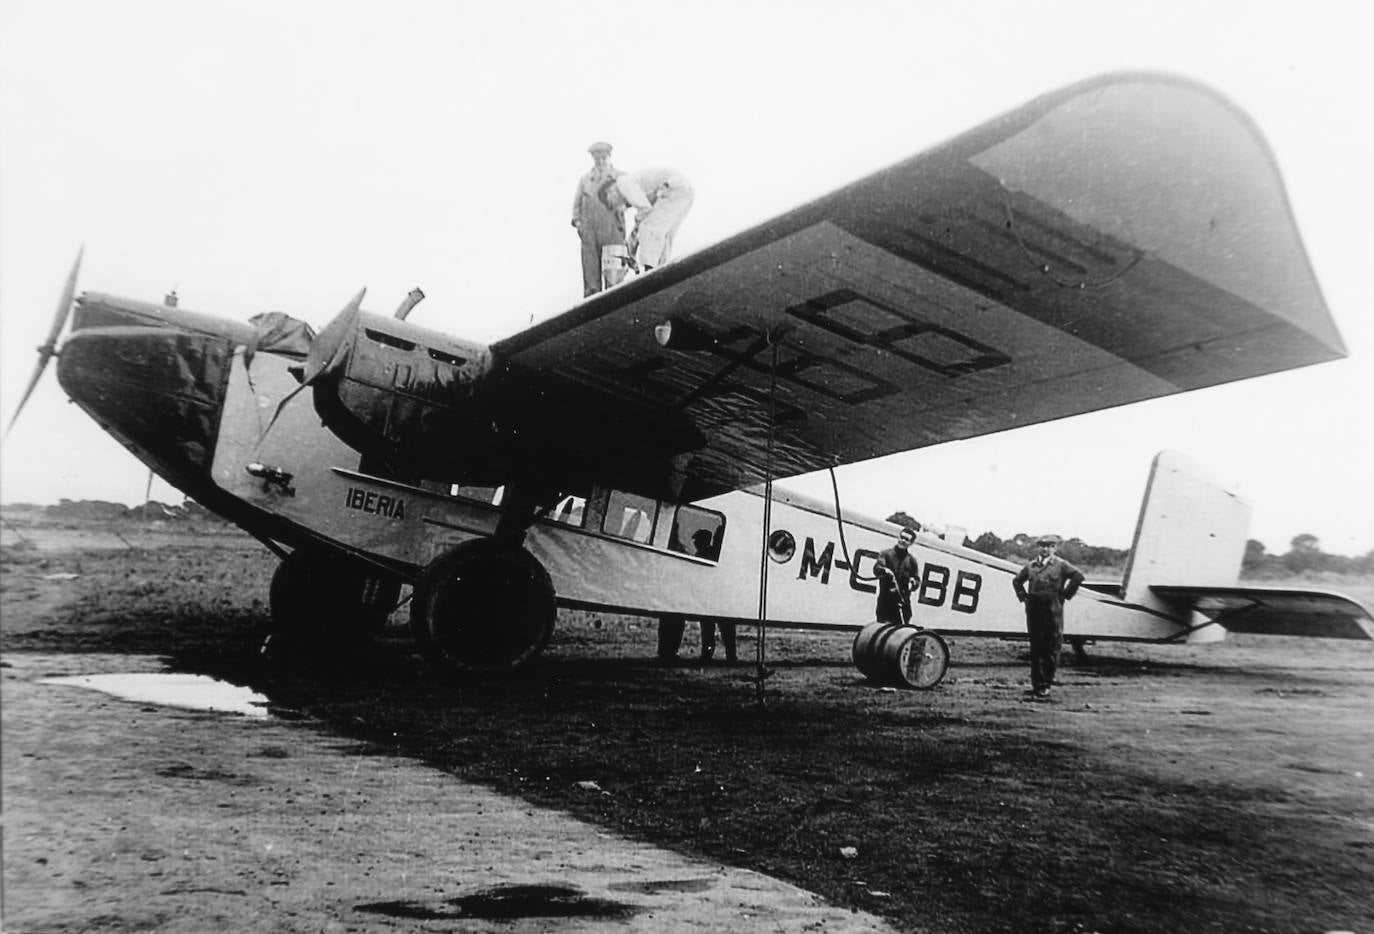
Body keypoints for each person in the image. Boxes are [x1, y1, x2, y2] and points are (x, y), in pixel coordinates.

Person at [1012, 535, 1085, 700]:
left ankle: (1046, 684)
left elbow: (1078, 576)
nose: (1045, 549)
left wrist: (1065, 595)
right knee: (1036, 648)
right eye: (1043, 546)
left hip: (1053, 610)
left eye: (1050, 546)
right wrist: (1023, 597)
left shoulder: (1060, 565)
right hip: (1034, 610)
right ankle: (1036, 684)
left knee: (1051, 647)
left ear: (1055, 548)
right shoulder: (1031, 566)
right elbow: (1017, 581)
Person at [596, 167, 693, 271]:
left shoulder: (624, 185)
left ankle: (650, 268)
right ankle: (662, 267)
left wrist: (633, 238)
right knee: (665, 233)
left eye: (610, 204)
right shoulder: (633, 183)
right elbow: (648, 207)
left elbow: (645, 209)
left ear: (609, 191)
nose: (615, 208)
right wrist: (633, 241)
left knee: (648, 227)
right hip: (684, 189)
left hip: (672, 187)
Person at [570, 141, 626, 296]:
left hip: (612, 231)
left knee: (614, 278)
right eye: (597, 159)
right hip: (589, 232)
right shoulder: (585, 180)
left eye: (603, 158)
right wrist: (579, 224)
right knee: (591, 280)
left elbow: (631, 201)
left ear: (609, 157)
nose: (600, 162)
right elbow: (576, 206)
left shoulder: (620, 177)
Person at [873, 527, 920, 625]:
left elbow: (917, 580)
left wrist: (913, 583)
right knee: (883, 633)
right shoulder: (885, 554)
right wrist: (884, 570)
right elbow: (877, 568)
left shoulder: (912, 561)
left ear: (911, 543)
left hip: (903, 605)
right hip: (885, 603)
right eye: (902, 537)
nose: (903, 541)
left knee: (901, 634)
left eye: (907, 539)